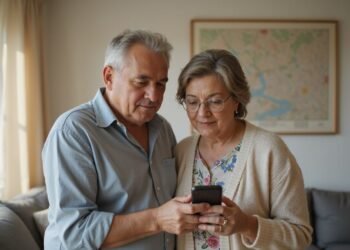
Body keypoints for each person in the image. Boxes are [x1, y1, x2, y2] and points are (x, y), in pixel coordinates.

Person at [42, 30, 209, 250]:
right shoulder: (73, 132)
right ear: (109, 77)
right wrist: (158, 219)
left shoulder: (162, 128)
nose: (155, 96)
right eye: (142, 82)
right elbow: (74, 235)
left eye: (161, 84)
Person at [175, 49, 313, 249]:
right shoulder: (182, 151)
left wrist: (247, 225)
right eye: (192, 102)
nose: (202, 113)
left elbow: (301, 236)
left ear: (237, 100)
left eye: (215, 101)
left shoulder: (269, 150)